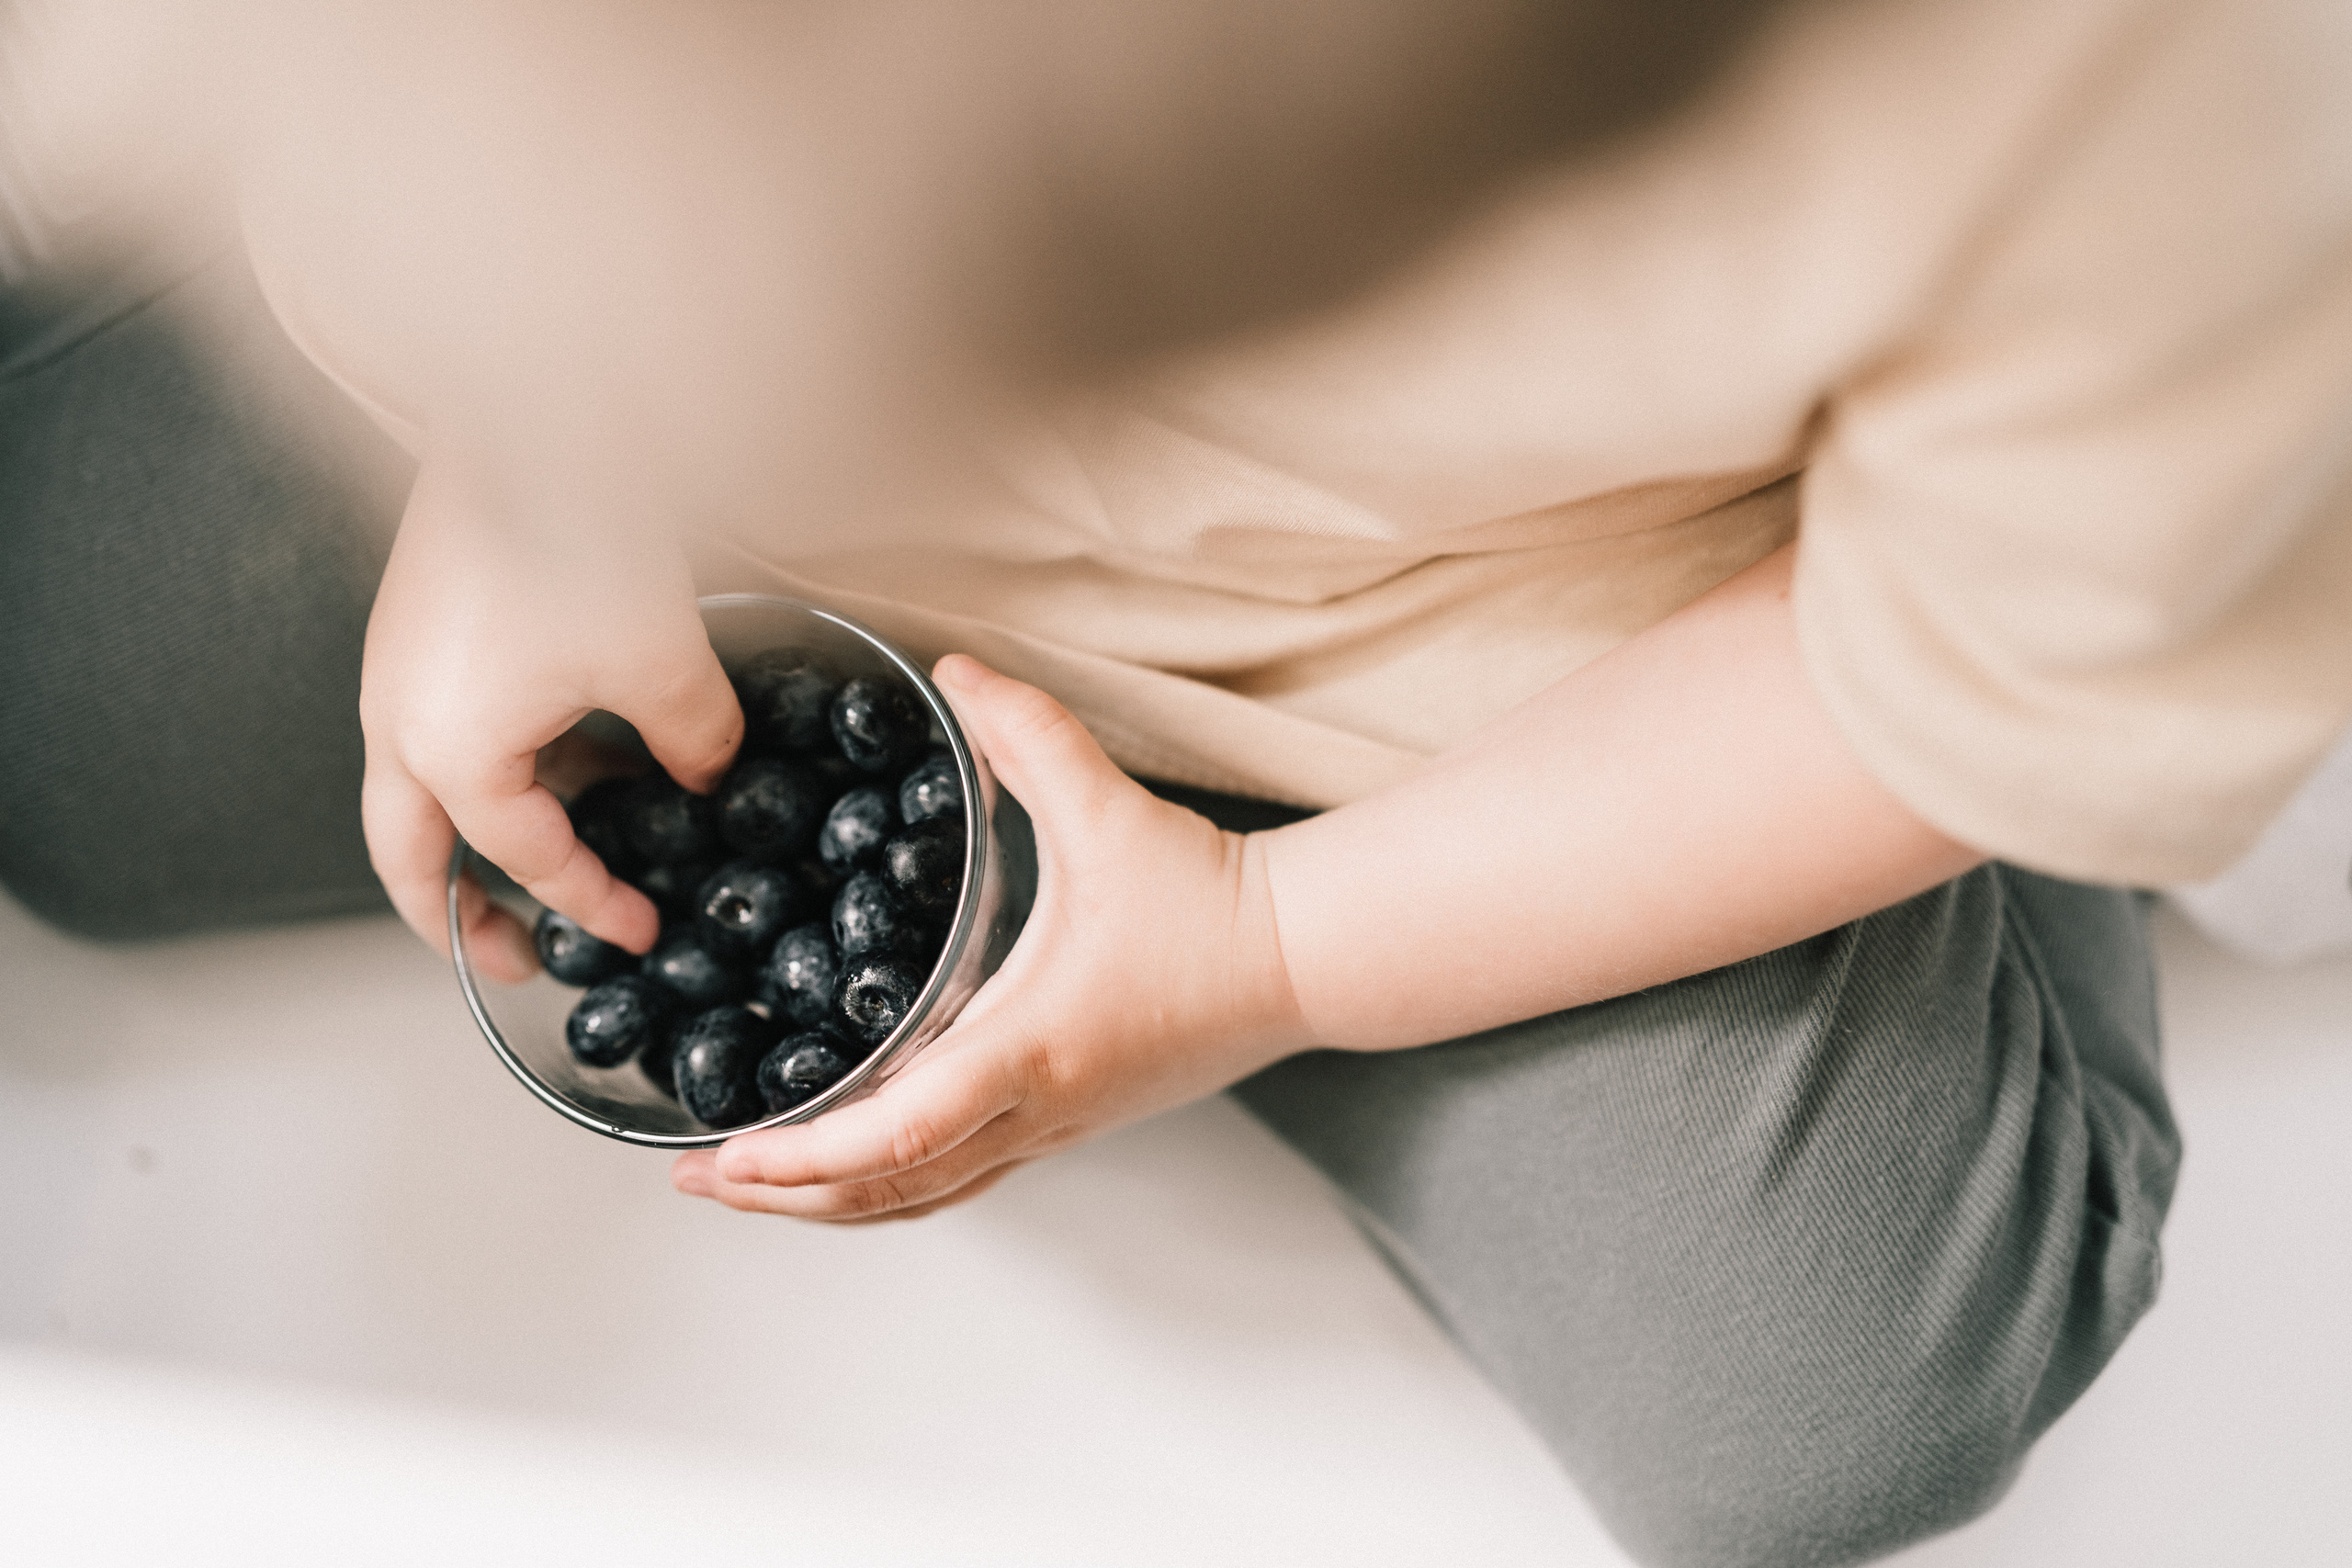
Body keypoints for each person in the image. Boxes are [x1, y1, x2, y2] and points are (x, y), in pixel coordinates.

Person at [6, 3, 2348, 1565]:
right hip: (717, 402)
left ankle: (2151, 739)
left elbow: (1946, 674)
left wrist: (1273, 953)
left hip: (1541, 619)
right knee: (61, 736)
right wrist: (541, 429)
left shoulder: (2165, 117)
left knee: (1833, 1406)